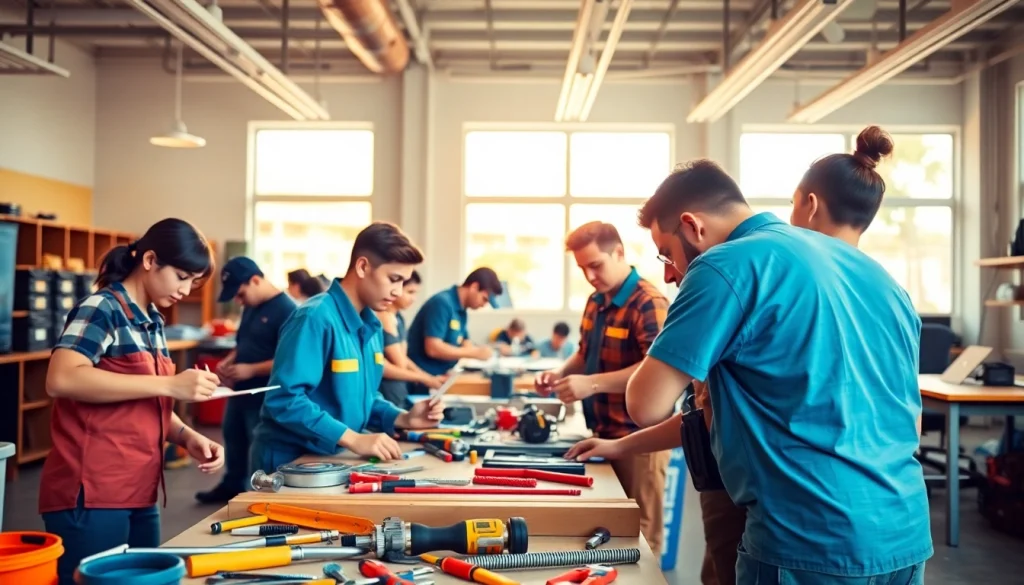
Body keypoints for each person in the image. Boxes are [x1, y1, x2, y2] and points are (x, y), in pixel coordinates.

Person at [566, 126, 903, 585]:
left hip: (805, 541)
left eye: (667, 255)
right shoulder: (878, 279)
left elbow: (644, 405)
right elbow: (907, 421)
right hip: (901, 531)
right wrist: (620, 446)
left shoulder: (726, 265)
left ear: (693, 227)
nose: (669, 276)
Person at [40, 218, 225, 585]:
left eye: (193, 282)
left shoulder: (152, 320)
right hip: (91, 494)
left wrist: (188, 436)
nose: (186, 290)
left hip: (140, 491)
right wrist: (172, 384)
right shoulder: (102, 309)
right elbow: (61, 378)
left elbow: (145, 399)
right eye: (181, 276)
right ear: (151, 259)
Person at [251, 222, 445, 471]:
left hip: (332, 458)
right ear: (363, 266)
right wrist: (354, 439)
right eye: (394, 279)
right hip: (289, 461)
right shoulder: (315, 317)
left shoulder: (371, 324)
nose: (398, 292)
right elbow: (285, 399)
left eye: (403, 282)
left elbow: (363, 397)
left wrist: (403, 417)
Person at [534, 221, 670, 557]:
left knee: (641, 534)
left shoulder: (648, 302)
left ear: (619, 252)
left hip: (638, 438)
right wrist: (560, 373)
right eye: (582, 269)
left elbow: (657, 370)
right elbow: (585, 352)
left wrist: (591, 384)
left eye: (596, 265)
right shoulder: (596, 301)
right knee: (614, 531)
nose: (590, 276)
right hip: (601, 432)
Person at [195, 257, 297, 504]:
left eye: (240, 294)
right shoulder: (251, 307)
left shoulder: (288, 311)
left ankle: (258, 496)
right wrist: (229, 361)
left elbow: (290, 358)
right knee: (233, 436)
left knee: (256, 446)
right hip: (239, 391)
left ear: (255, 280)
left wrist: (251, 370)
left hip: (263, 394)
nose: (239, 301)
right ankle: (231, 486)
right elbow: (243, 344)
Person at [405, 267, 503, 394]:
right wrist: (474, 353)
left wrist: (480, 349)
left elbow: (465, 342)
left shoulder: (462, 311)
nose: (484, 305)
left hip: (441, 380)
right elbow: (433, 348)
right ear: (474, 287)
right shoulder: (442, 303)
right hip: (421, 382)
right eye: (484, 299)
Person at [377, 270, 446, 408]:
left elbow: (403, 358)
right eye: (410, 292)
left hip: (399, 392)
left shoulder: (399, 319)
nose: (413, 298)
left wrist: (429, 378)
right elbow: (398, 363)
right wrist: (424, 378)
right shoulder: (383, 318)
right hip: (386, 394)